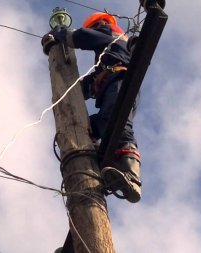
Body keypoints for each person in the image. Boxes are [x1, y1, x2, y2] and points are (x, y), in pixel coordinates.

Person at [49, 13, 142, 203]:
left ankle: (131, 175)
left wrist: (61, 33)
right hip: (112, 83)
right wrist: (75, 91)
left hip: (119, 82)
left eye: (95, 27)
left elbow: (83, 37)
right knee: (89, 126)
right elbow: (93, 81)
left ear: (101, 23)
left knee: (117, 121)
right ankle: (109, 168)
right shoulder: (109, 55)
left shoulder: (112, 34)